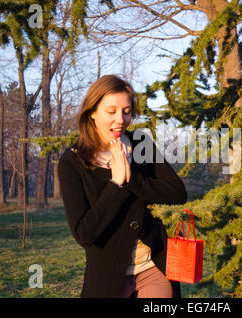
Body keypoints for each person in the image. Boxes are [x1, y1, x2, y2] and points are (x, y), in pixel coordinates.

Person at [58, 74, 187, 298]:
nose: (120, 119)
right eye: (111, 111)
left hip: (152, 267)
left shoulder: (140, 144)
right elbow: (84, 233)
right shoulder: (72, 162)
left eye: (126, 112)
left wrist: (132, 179)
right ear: (92, 113)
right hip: (107, 275)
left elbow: (177, 192)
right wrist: (116, 183)